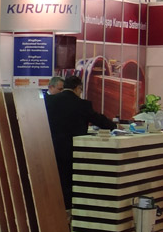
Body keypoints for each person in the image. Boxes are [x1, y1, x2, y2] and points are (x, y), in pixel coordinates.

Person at [45, 75, 116, 210]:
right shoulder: (82, 104)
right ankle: (69, 211)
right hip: (73, 150)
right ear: (78, 88)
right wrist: (114, 126)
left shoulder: (49, 100)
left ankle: (56, 211)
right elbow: (98, 120)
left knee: (56, 181)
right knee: (71, 183)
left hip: (51, 148)